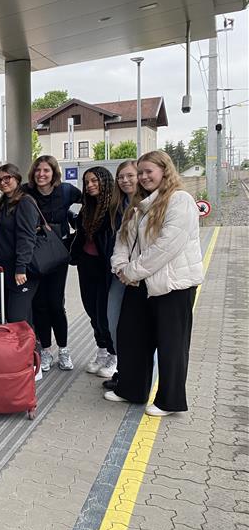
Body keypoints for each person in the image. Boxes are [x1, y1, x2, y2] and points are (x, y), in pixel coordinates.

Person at [106, 151, 203, 416]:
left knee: (172, 344)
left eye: (149, 171)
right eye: (141, 172)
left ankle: (169, 402)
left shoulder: (180, 200)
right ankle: (131, 389)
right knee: (131, 337)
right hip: (139, 283)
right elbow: (122, 239)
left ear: (164, 170)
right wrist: (120, 266)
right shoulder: (138, 204)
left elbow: (166, 247)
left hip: (173, 285)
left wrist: (131, 272)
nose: (143, 177)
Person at [23, 155, 82, 372]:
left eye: (46, 170)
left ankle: (64, 350)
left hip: (57, 254)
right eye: (38, 170)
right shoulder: (25, 192)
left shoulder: (66, 191)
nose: (41, 174)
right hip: (34, 254)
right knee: (39, 304)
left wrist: (78, 227)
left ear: (54, 172)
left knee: (56, 303)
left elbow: (92, 202)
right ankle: (46, 350)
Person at [70, 167, 116, 380]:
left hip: (106, 268)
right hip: (86, 265)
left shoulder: (114, 209)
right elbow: (81, 234)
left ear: (105, 182)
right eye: (87, 182)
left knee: (105, 313)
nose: (90, 185)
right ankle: (102, 351)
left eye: (94, 181)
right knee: (92, 311)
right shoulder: (87, 208)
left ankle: (114, 355)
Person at [101, 160, 139, 390]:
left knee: (137, 329)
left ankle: (134, 376)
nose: (125, 180)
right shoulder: (116, 205)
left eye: (130, 175)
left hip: (143, 275)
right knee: (113, 320)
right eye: (121, 177)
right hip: (119, 273)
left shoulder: (150, 204)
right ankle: (123, 371)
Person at [0, 164, 40, 327]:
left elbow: (26, 237)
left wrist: (21, 268)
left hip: (21, 269)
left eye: (7, 178)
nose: (2, 182)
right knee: (15, 316)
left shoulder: (25, 202)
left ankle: (31, 344)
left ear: (17, 179)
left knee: (17, 317)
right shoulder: (3, 202)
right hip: (4, 268)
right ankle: (31, 343)